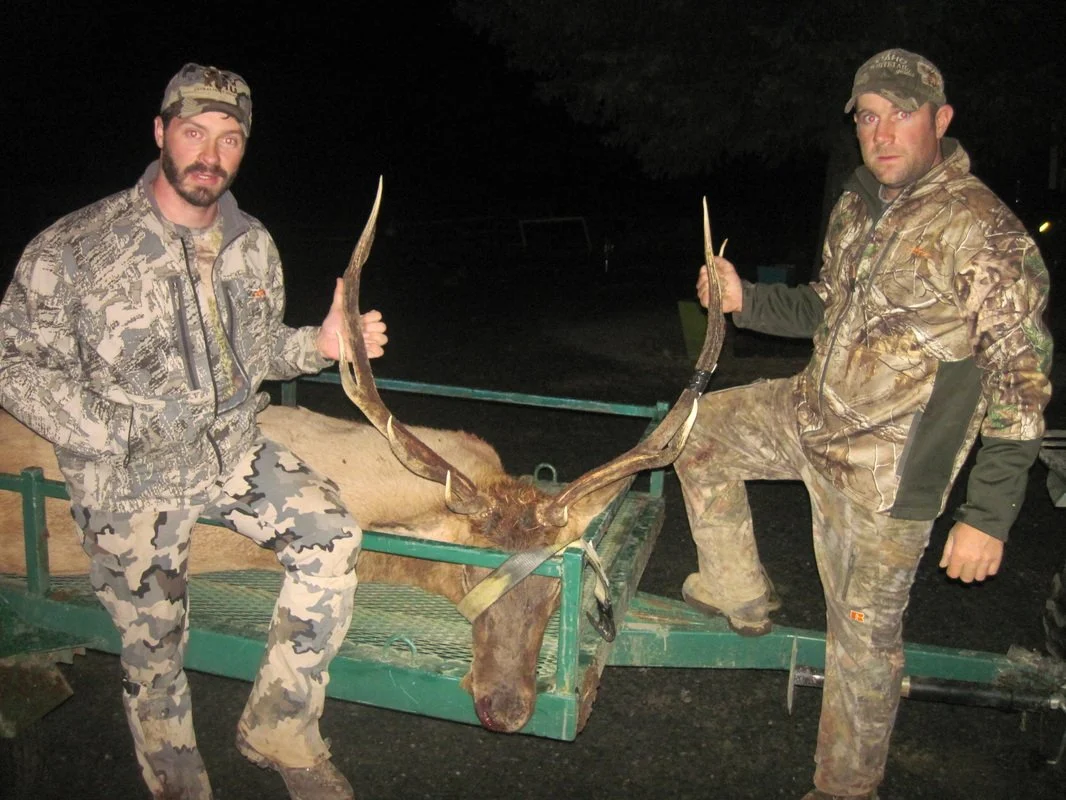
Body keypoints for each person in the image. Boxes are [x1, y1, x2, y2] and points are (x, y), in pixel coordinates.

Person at [0, 64, 388, 800]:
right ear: (160, 134)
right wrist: (112, 430)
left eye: (230, 138)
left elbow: (259, 349)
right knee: (156, 652)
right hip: (127, 480)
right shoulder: (74, 247)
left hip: (231, 453)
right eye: (194, 132)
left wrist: (320, 345)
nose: (211, 153)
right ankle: (180, 786)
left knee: (332, 536)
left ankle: (278, 729)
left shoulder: (253, 244)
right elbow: (12, 361)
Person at [674, 48, 1052, 799]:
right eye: (868, 117)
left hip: (886, 475)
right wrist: (746, 299)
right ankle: (736, 589)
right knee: (696, 429)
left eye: (901, 114)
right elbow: (825, 306)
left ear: (941, 121)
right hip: (812, 413)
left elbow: (1022, 380)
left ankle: (845, 788)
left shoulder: (985, 233)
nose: (881, 134)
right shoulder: (858, 203)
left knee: (861, 645)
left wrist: (989, 515)